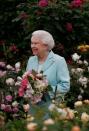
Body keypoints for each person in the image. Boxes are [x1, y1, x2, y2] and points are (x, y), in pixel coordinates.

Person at [26, 30, 70, 102]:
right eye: (31, 43)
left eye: (36, 43)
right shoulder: (31, 60)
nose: (32, 46)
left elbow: (65, 86)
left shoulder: (58, 61)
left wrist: (44, 90)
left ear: (45, 45)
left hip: (52, 106)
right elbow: (27, 82)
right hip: (33, 105)